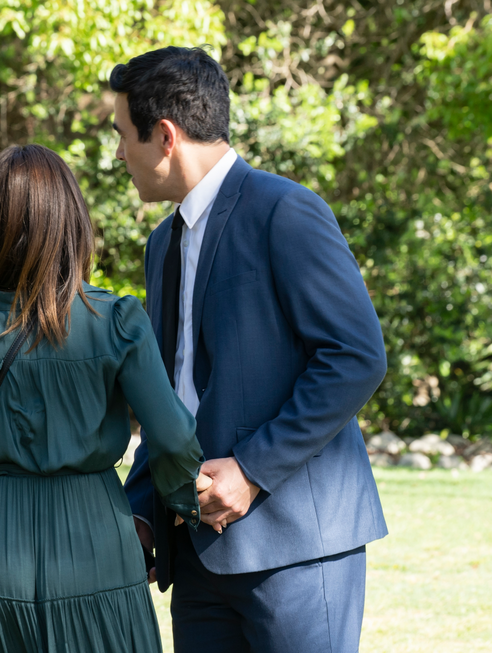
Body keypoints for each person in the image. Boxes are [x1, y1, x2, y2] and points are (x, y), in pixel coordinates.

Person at [113, 47, 388, 652]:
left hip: (296, 550)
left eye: (121, 135)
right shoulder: (161, 246)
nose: (117, 155)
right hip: (194, 558)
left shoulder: (287, 211)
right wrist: (140, 512)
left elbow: (356, 356)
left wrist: (252, 472)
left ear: (164, 136)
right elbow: (168, 396)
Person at [0, 144, 207, 651]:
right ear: (71, 223)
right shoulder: (115, 323)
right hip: (98, 540)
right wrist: (183, 501)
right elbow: (174, 436)